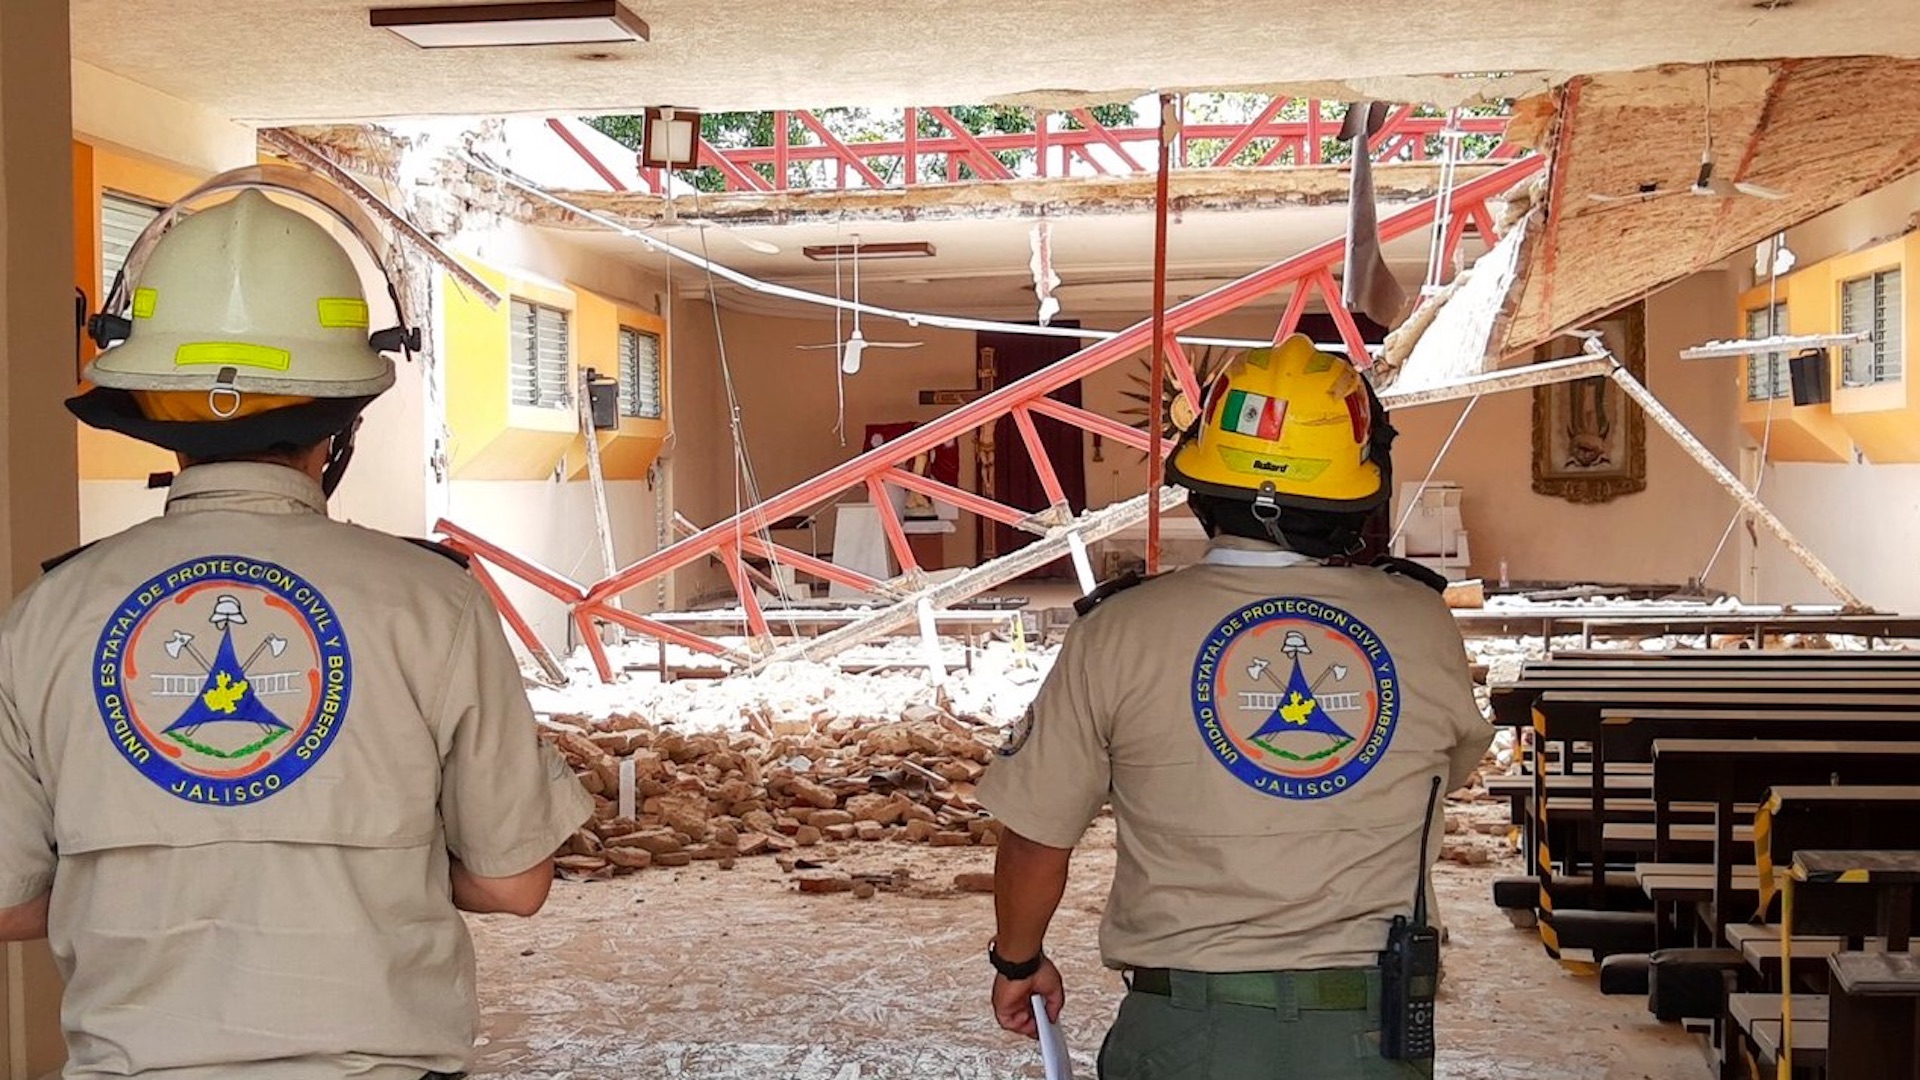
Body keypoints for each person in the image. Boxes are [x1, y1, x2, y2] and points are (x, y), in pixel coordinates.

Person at [0, 168, 592, 1079]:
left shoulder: (48, 614)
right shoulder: (429, 600)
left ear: (154, 409)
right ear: (340, 422)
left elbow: (8, 902)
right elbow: (513, 886)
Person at [978, 334, 1493, 1079]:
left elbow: (1035, 835)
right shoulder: (1419, 622)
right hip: (1368, 1034)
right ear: (1360, 489)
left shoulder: (1119, 629)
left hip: (1186, 1033)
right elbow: (1450, 770)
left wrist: (1017, 958)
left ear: (1198, 482)